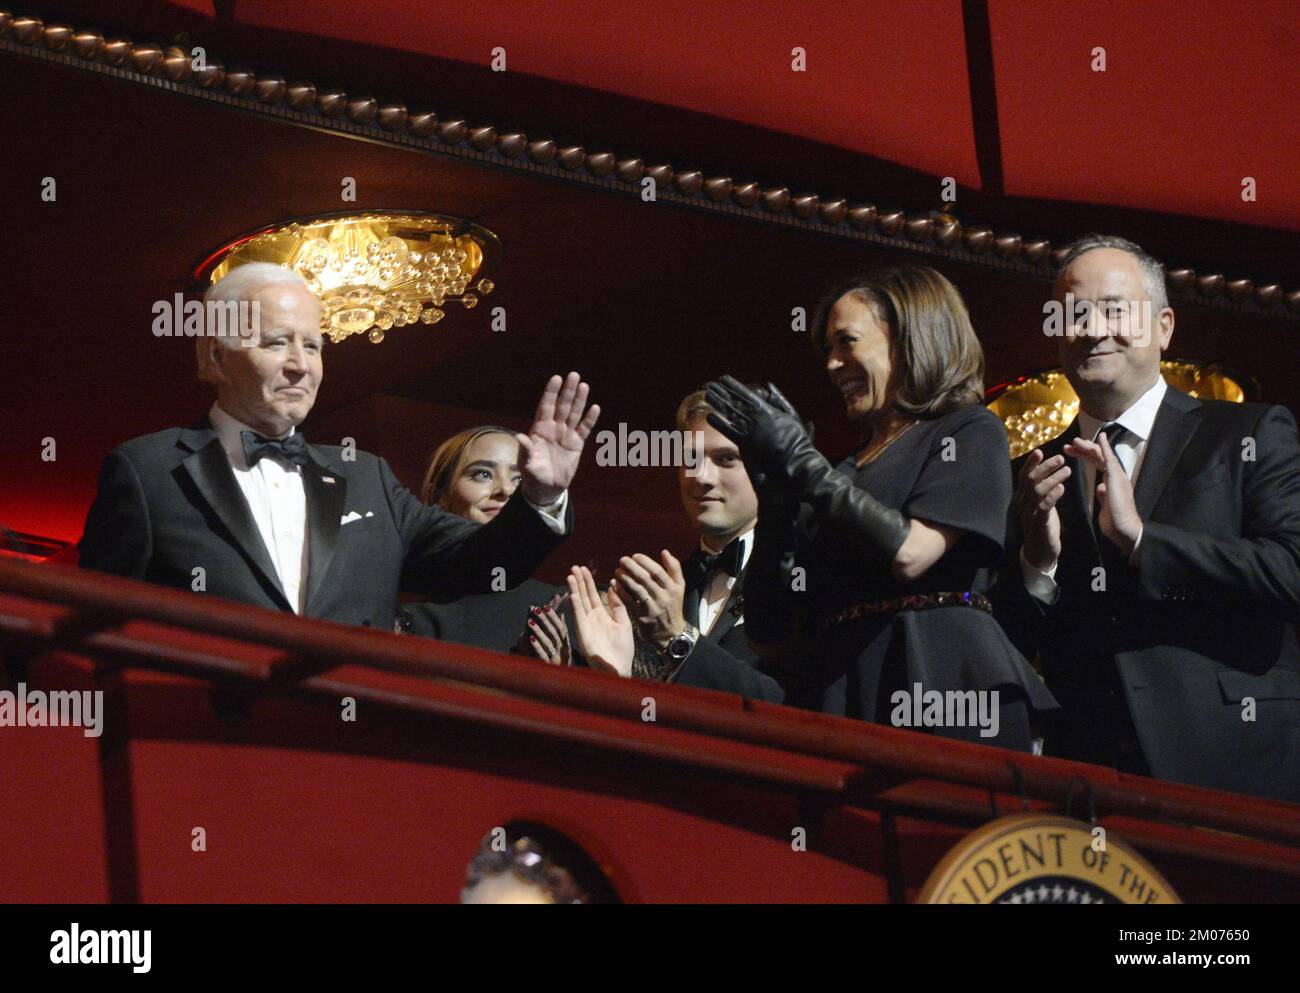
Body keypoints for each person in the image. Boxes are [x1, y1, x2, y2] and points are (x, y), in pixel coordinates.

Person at [78, 263, 600, 634]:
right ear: (215, 357)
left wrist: (540, 497)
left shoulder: (366, 476)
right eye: (276, 342)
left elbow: (483, 565)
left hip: (348, 751)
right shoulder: (148, 471)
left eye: (312, 345)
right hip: (207, 754)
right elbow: (95, 627)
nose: (300, 364)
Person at [995, 234, 1300, 801]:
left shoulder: (1246, 434)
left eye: (1114, 309)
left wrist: (1143, 542)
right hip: (1088, 781)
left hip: (1236, 768)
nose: (1092, 327)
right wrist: (1037, 564)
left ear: (1163, 326)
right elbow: (1003, 639)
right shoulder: (1032, 473)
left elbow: (1291, 571)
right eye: (1074, 313)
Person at [704, 265, 1057, 750]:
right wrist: (779, 508)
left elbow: (913, 552)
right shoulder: (839, 471)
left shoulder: (967, 432)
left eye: (847, 342)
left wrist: (803, 464)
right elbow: (770, 633)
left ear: (910, 340)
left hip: (941, 684)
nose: (831, 364)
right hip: (840, 694)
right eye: (827, 349)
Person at [609, 388, 783, 700]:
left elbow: (787, 703)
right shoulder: (661, 594)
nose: (701, 477)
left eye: (726, 458)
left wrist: (678, 637)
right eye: (691, 458)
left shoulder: (799, 578)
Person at [397, 426, 574, 664]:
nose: (505, 490)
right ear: (439, 497)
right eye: (483, 474)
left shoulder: (567, 608)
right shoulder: (414, 626)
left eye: (520, 478)